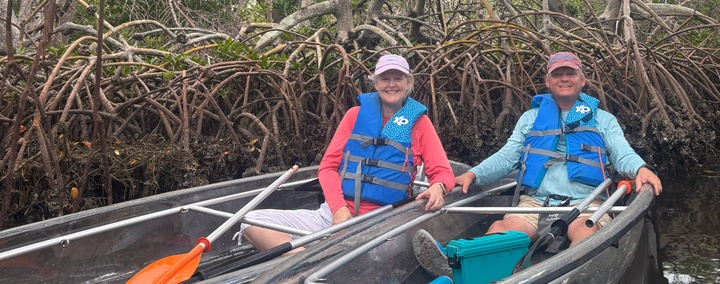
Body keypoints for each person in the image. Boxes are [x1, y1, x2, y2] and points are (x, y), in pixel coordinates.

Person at [413, 51, 662, 277]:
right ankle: (458, 265)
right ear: (548, 82)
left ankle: (564, 277)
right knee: (503, 228)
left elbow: (622, 153)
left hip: (585, 202)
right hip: (535, 203)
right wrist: (473, 175)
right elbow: (508, 156)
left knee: (587, 233)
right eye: (558, 74)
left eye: (570, 74)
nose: (564, 79)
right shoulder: (530, 118)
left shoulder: (603, 120)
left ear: (582, 80)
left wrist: (640, 168)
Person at [241, 54, 455, 251]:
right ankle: (301, 268)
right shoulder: (355, 115)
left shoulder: (419, 123)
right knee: (251, 222)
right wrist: (338, 208)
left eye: (398, 78)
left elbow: (443, 173)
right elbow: (327, 168)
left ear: (408, 83)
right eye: (384, 78)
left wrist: (438, 187)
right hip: (335, 215)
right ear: (375, 83)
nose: (391, 85)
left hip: (383, 223)